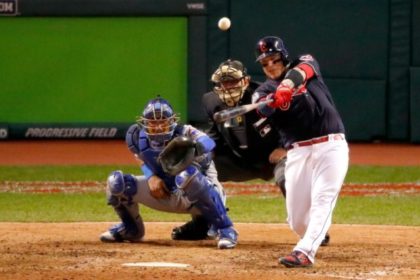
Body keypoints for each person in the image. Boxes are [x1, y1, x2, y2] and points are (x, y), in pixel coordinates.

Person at [252, 36, 349, 267]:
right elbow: (261, 109)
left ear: (284, 57)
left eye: (274, 60)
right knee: (296, 221)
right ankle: (315, 232)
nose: (270, 66)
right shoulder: (263, 90)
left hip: (330, 145)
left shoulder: (303, 63)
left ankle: (305, 251)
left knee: (323, 199)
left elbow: (303, 71)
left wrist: (287, 85)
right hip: (298, 153)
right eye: (265, 64)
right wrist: (272, 102)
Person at [99, 96, 238, 249]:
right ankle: (131, 230)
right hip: (165, 191)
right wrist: (151, 176)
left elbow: (209, 143)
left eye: (162, 121)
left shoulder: (185, 132)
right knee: (116, 182)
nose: (158, 127)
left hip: (200, 196)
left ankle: (225, 229)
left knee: (187, 176)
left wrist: (194, 147)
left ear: (172, 121)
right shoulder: (136, 137)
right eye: (153, 122)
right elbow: (141, 158)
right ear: (144, 122)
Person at [171, 59, 287, 241]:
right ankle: (203, 223)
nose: (227, 87)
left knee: (289, 175)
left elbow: (290, 124)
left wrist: (284, 146)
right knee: (197, 168)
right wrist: (203, 151)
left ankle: (311, 228)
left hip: (274, 157)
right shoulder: (211, 101)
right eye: (223, 82)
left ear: (245, 81)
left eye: (232, 81)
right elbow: (215, 134)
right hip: (239, 161)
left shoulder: (264, 95)